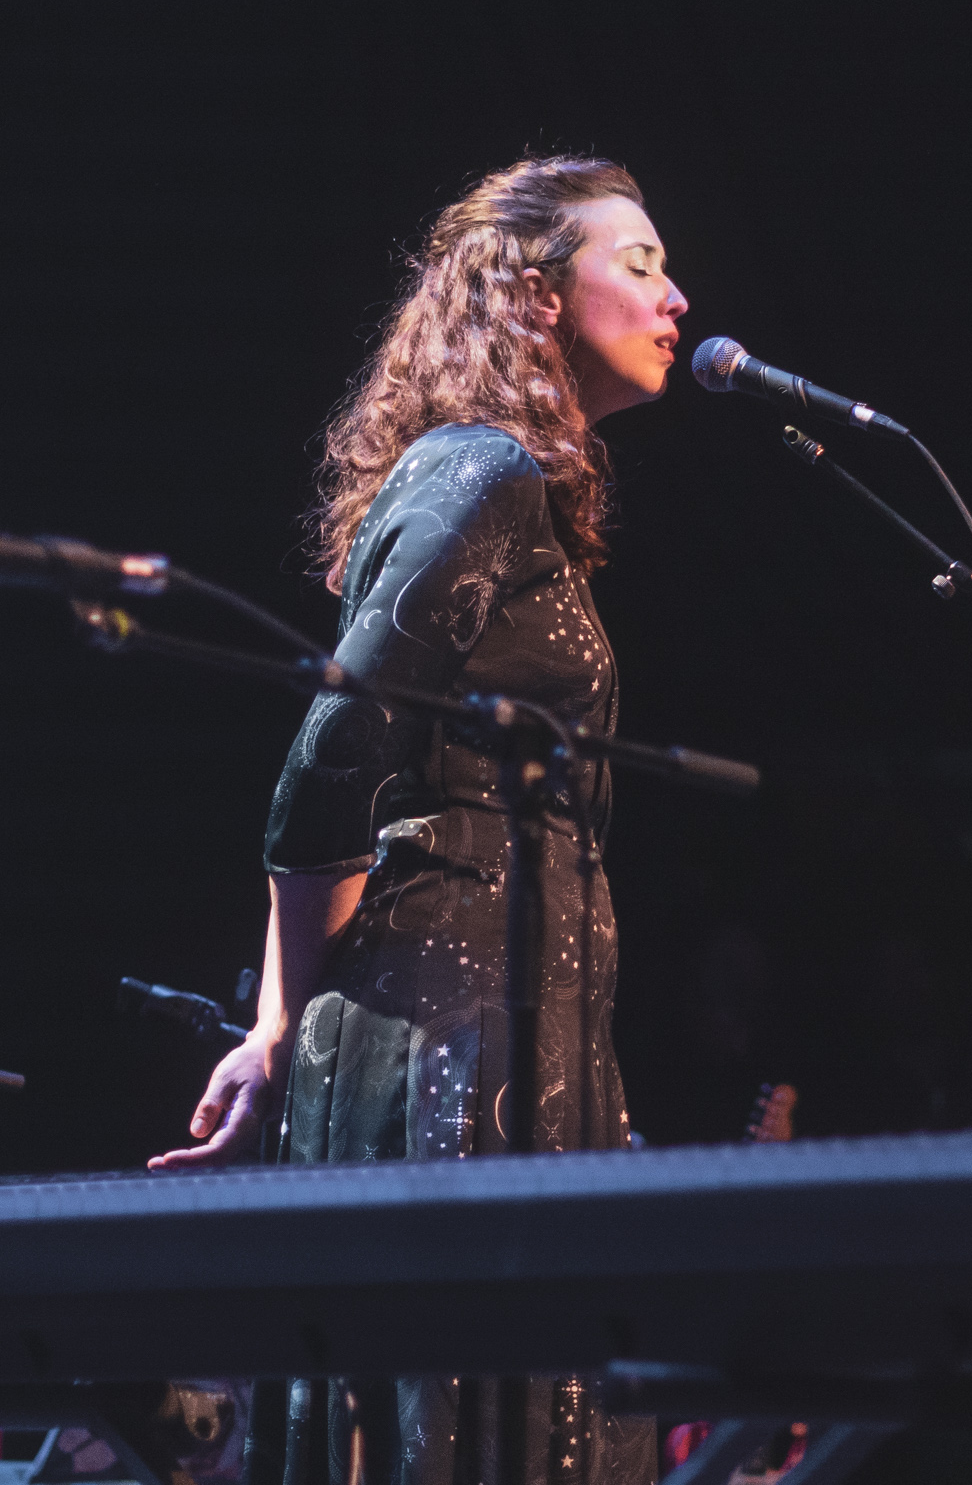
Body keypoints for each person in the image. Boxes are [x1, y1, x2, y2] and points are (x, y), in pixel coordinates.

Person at [149, 156, 688, 1485]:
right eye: (642, 260)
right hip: (440, 1025)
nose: (675, 296)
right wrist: (276, 1028)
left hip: (517, 1015)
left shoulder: (520, 492)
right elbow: (337, 757)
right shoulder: (480, 468)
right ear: (533, 293)